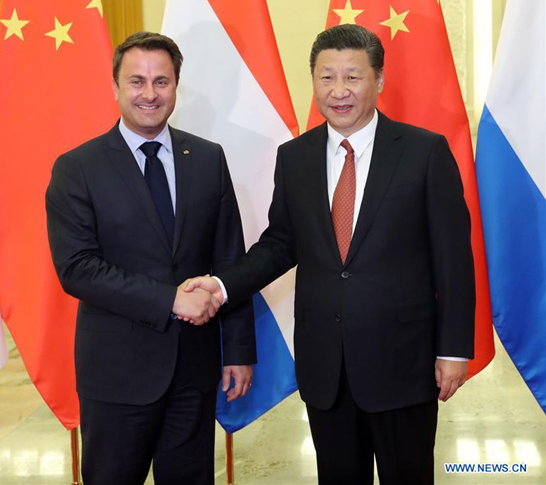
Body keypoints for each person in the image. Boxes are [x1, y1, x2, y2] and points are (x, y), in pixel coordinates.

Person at [185, 24, 475, 485]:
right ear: (314, 81)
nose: (339, 91)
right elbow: (280, 244)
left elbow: (455, 260)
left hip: (402, 362)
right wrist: (221, 286)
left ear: (378, 81)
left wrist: (455, 349)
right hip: (326, 368)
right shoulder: (295, 157)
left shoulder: (424, 152)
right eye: (326, 77)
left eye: (353, 77)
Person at [46, 31, 256, 485]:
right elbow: (77, 268)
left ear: (176, 86)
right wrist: (170, 300)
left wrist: (238, 350)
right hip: (117, 377)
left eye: (161, 82)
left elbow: (229, 259)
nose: (149, 94)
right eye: (136, 81)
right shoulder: (77, 168)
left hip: (194, 372)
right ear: (116, 86)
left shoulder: (207, 158)